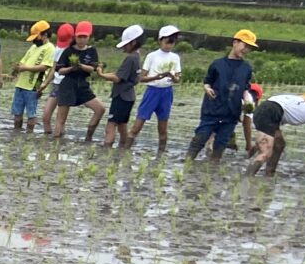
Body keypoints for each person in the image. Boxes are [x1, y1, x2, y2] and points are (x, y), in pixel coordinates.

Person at [185, 29, 257, 162]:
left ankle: (212, 171)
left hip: (231, 114)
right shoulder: (217, 64)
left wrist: (247, 99)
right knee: (199, 140)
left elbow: (245, 88)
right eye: (244, 45)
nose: (246, 50)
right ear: (235, 43)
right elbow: (207, 82)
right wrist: (207, 88)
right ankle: (187, 165)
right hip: (212, 111)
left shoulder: (247, 68)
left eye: (249, 48)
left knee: (220, 146)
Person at [129, 24, 181, 154]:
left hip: (166, 93)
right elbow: (142, 78)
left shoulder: (175, 58)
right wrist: (157, 77)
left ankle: (161, 154)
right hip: (152, 92)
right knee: (138, 125)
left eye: (172, 43)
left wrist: (172, 77)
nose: (169, 45)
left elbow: (178, 79)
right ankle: (125, 150)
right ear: (160, 41)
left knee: (163, 129)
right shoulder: (152, 56)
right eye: (167, 42)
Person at [48, 20, 103, 141]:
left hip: (82, 84)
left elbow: (92, 68)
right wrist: (71, 68)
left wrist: (81, 65)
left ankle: (88, 136)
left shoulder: (91, 51)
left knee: (100, 109)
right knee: (61, 119)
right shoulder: (68, 51)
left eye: (84, 37)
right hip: (68, 84)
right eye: (79, 37)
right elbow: (60, 70)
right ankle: (55, 143)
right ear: (75, 37)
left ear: (89, 37)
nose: (81, 40)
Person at [101, 24, 144, 148]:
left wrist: (101, 74)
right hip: (129, 97)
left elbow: (117, 77)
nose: (124, 47)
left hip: (121, 96)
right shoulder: (137, 57)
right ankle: (124, 148)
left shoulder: (130, 59)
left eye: (126, 44)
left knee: (111, 125)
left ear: (133, 42)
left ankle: (106, 149)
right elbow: (120, 74)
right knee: (122, 125)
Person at [8, 19, 54, 131]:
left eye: (36, 37)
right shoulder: (33, 47)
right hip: (20, 84)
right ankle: (16, 133)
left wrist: (25, 68)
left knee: (31, 114)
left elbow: (45, 66)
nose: (34, 41)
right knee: (17, 112)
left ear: (45, 35)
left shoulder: (50, 49)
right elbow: (24, 61)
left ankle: (29, 135)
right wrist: (17, 68)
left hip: (33, 86)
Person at [39, 22, 73, 134]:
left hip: (67, 86)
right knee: (45, 117)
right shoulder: (58, 49)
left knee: (60, 120)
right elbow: (53, 69)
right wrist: (45, 83)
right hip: (56, 85)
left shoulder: (74, 51)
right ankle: (48, 140)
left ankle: (58, 144)